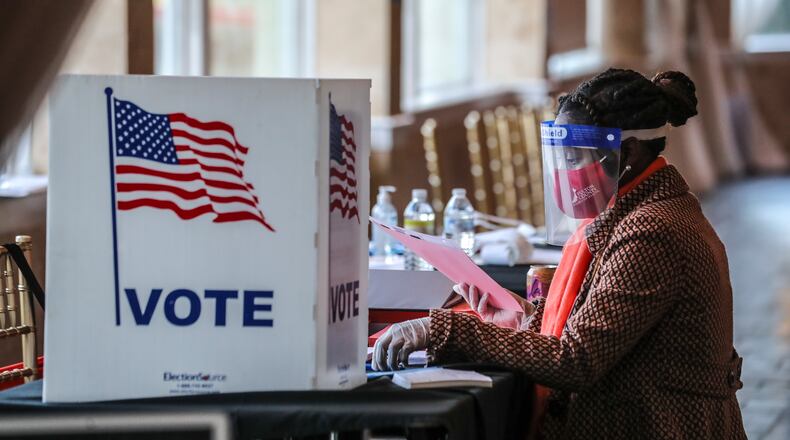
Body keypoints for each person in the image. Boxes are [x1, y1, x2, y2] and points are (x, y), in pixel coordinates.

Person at [373, 68, 746, 439]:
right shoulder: (636, 211)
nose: (566, 173)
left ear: (627, 151)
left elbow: (576, 360)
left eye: (576, 158)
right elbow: (602, 330)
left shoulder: (650, 232)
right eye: (561, 158)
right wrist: (527, 320)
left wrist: (447, 329)